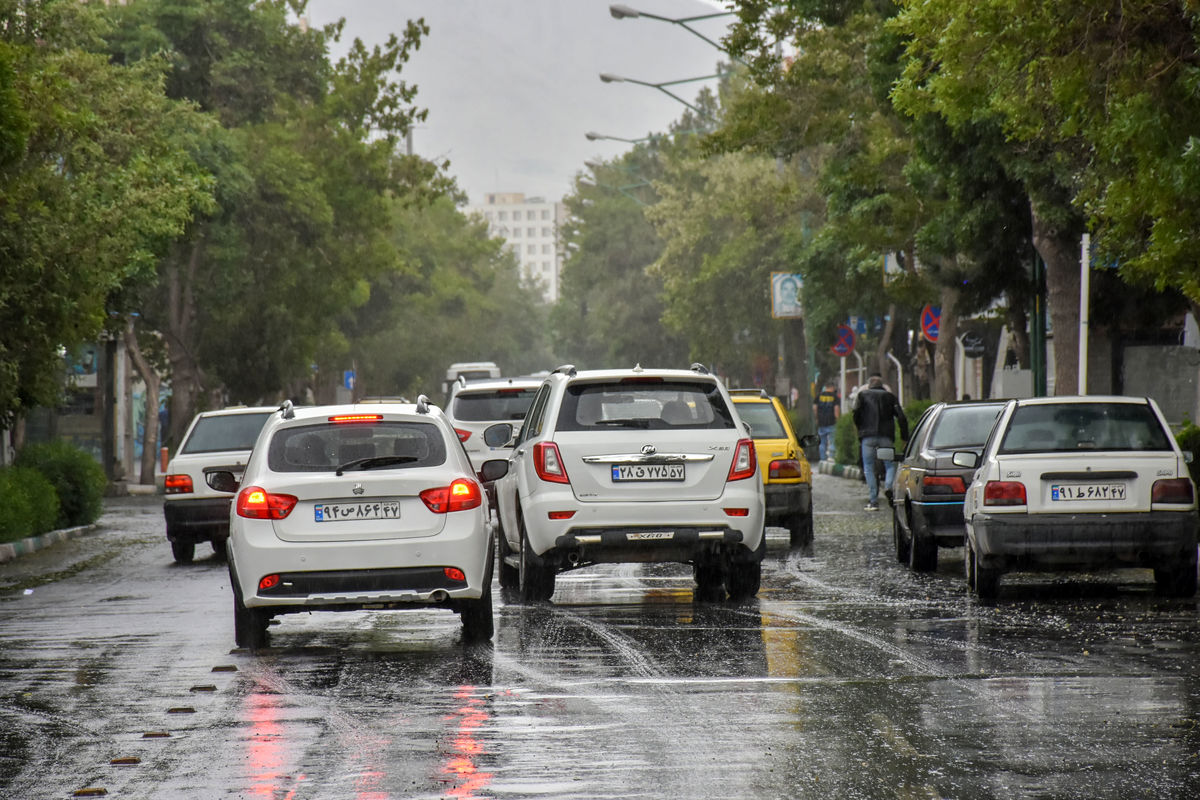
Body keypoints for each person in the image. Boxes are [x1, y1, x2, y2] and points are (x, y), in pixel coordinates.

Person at [852, 373, 909, 511]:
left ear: (869, 385)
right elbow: (901, 417)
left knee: (869, 467)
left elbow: (856, 414)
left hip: (867, 437)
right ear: (882, 386)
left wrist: (860, 430)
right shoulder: (890, 397)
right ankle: (889, 487)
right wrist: (904, 437)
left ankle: (873, 501)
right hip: (886, 436)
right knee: (889, 465)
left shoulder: (862, 396)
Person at [812, 379, 840, 462]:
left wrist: (817, 418)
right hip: (832, 421)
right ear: (832, 387)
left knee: (822, 441)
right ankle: (831, 457)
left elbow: (814, 408)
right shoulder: (835, 397)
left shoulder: (819, 396)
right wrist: (837, 419)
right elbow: (836, 409)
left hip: (821, 422)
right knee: (832, 440)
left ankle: (823, 458)